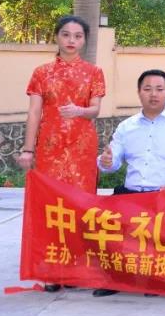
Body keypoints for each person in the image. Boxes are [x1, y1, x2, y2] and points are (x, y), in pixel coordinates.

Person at [93, 69, 165, 297]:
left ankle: (157, 279)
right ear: (139, 93)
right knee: (109, 231)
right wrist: (106, 161)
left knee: (161, 245)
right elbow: (112, 162)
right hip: (131, 195)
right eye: (147, 89)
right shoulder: (127, 126)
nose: (153, 94)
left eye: (159, 89)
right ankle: (116, 279)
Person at [20, 16, 106, 197]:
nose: (71, 40)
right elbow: (34, 112)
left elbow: (95, 110)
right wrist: (28, 150)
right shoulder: (41, 72)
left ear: (84, 40)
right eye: (66, 35)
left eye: (78, 36)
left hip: (81, 144)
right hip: (49, 144)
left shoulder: (94, 72)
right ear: (56, 37)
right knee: (48, 196)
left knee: (81, 197)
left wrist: (79, 110)